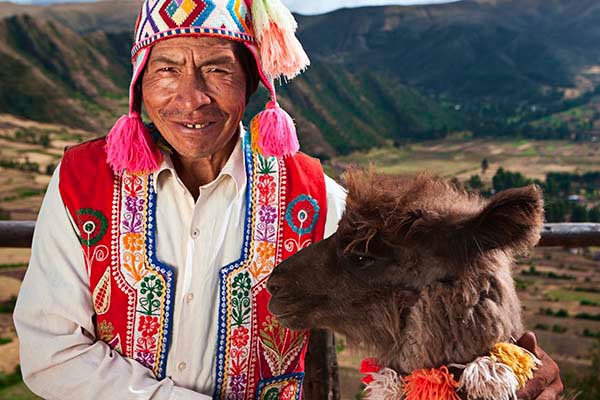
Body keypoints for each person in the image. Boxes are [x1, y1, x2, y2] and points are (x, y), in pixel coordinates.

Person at [13, 0, 562, 398]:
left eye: (217, 69)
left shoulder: (314, 196)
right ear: (139, 83)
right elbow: (50, 351)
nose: (190, 97)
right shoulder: (81, 184)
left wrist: (516, 366)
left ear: (250, 83)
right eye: (166, 69)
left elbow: (423, 268)